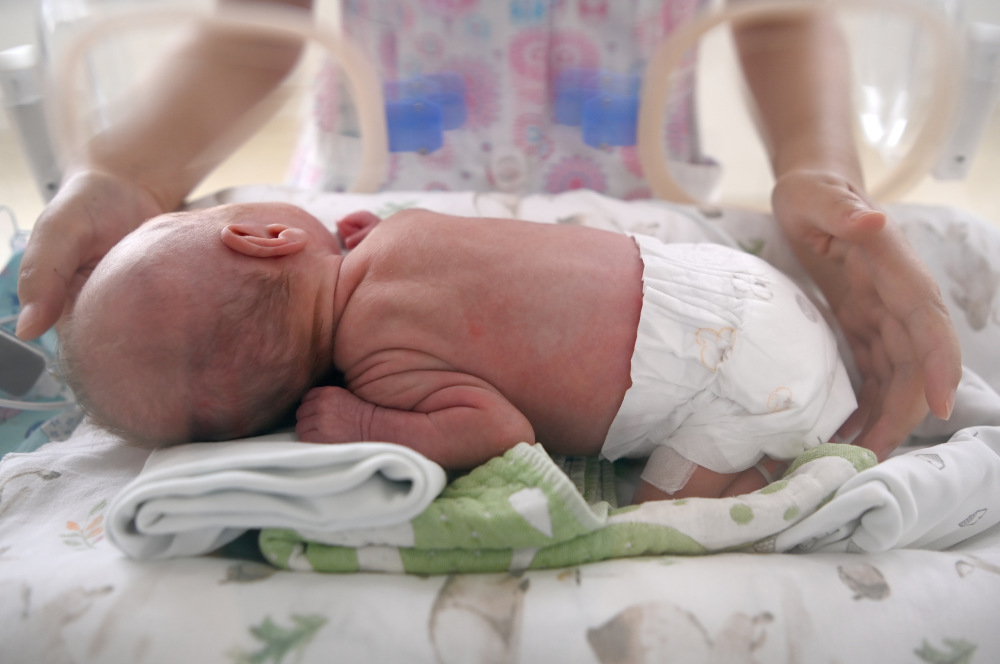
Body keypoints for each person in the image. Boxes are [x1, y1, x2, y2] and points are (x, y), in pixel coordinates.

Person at [17, 0, 961, 462]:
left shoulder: (365, 265)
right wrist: (130, 175)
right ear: (265, 238)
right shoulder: (351, 264)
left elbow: (781, 20)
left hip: (625, 213)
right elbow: (261, 21)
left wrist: (819, 174)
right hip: (376, 176)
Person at [59, 201, 856, 502]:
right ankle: (809, 425)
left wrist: (370, 424)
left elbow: (499, 434)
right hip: (742, 294)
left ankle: (777, 467)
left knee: (668, 511)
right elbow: (489, 273)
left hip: (734, 380)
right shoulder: (403, 233)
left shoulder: (385, 368)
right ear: (267, 236)